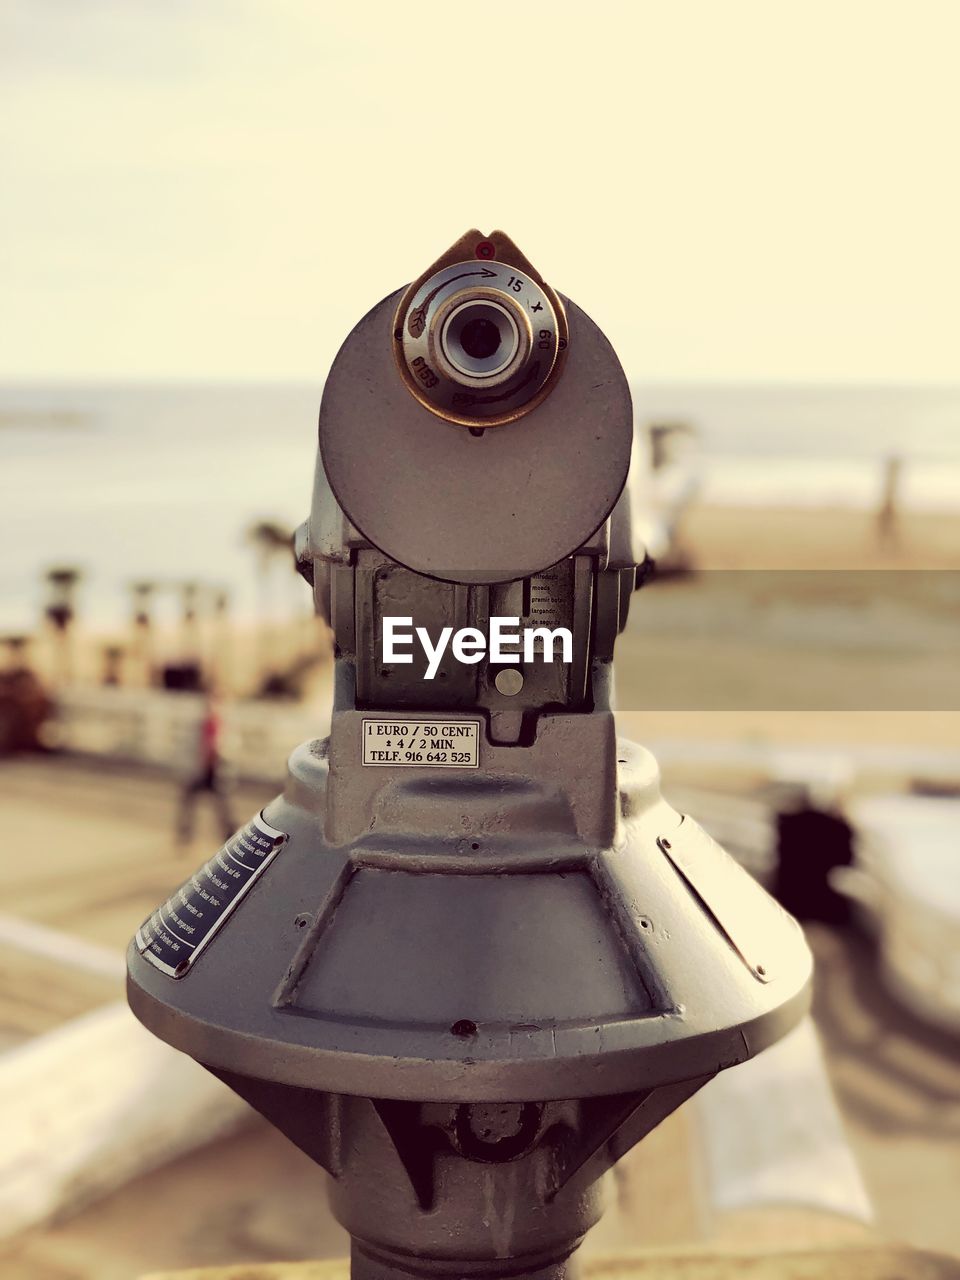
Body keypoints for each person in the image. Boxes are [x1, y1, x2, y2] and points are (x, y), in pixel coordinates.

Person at [175, 692, 235, 844]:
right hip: (199, 770)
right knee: (189, 801)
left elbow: (229, 749)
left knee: (222, 805)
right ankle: (185, 832)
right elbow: (189, 748)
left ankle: (228, 832)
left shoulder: (224, 726)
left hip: (215, 772)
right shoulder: (199, 726)